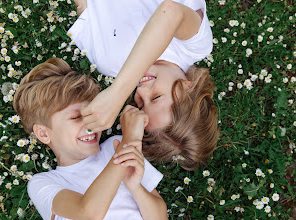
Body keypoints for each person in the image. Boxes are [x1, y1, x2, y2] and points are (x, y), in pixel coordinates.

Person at [67, 0, 220, 170]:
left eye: (140, 104)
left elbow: (84, 9)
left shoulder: (110, 65)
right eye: (156, 97)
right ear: (187, 88)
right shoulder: (193, 47)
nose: (141, 90)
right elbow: (170, 12)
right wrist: (117, 94)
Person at [13, 58, 167, 220]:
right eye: (75, 117)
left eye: (91, 114)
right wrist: (129, 141)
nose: (89, 125)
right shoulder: (43, 183)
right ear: (44, 134)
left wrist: (136, 188)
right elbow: (87, 213)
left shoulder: (115, 145)